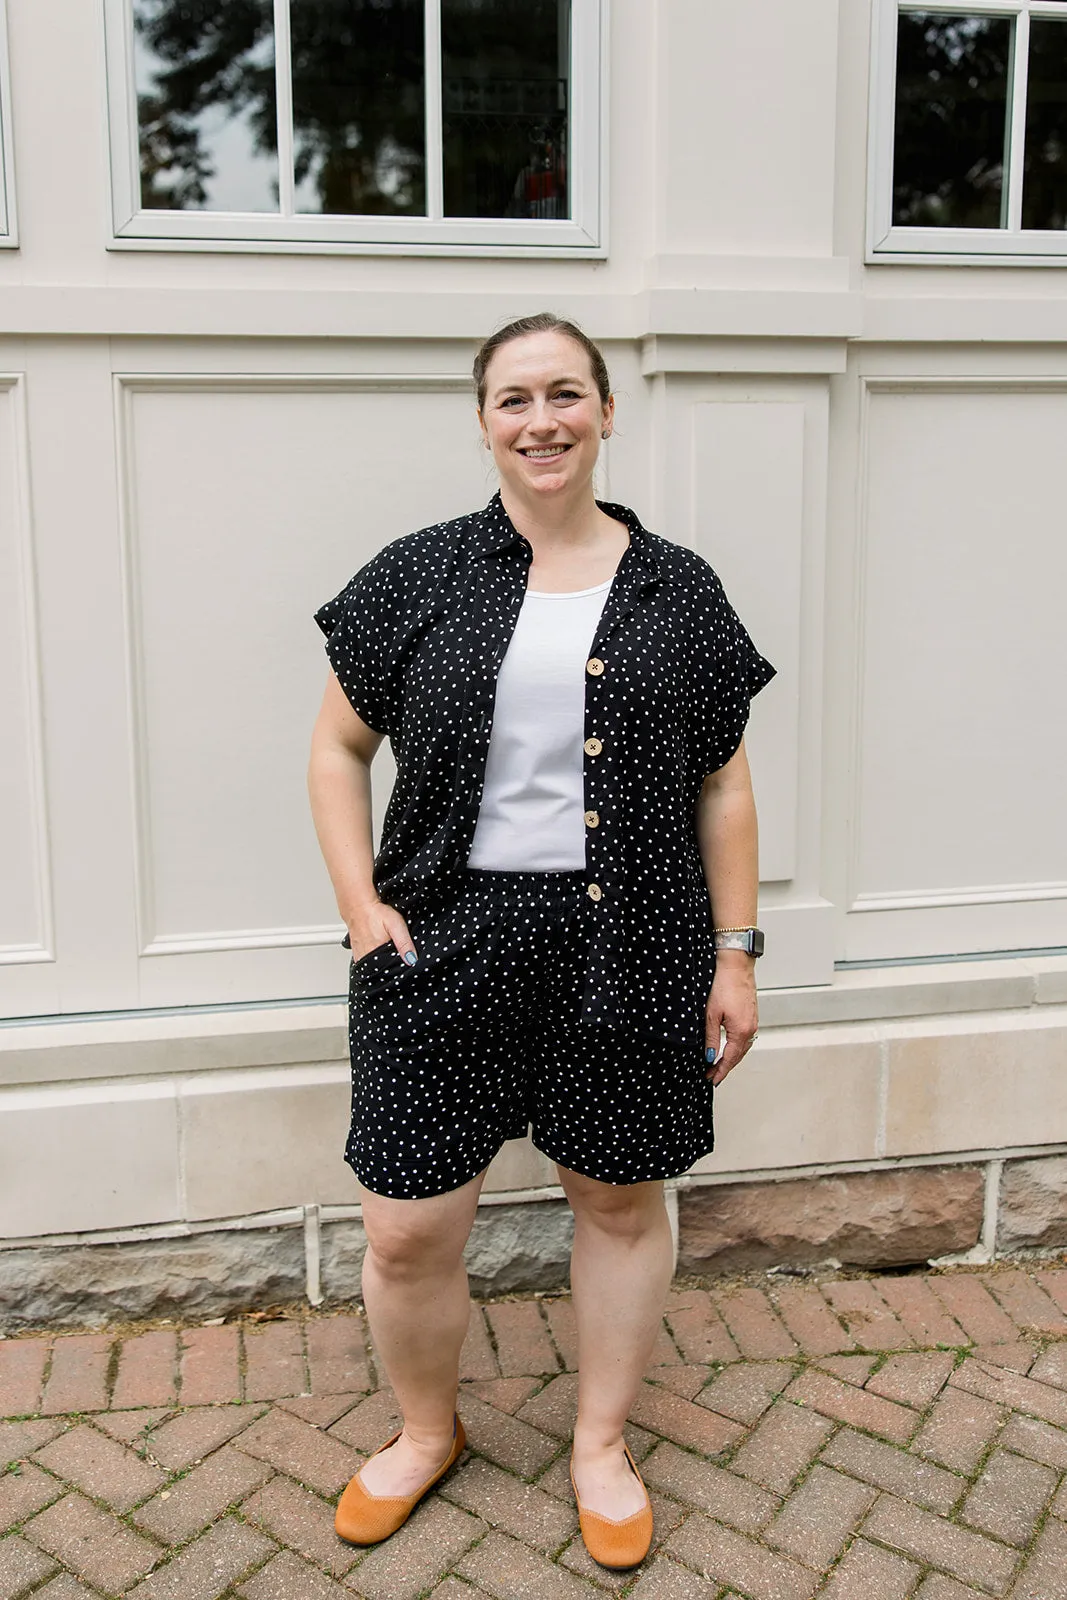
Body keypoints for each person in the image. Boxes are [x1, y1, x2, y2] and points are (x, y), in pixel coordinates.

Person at [307, 312, 775, 1570]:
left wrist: (734, 950)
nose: (541, 420)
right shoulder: (414, 574)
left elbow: (722, 782)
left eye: (565, 393)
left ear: (606, 412)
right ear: (483, 423)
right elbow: (336, 746)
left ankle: (599, 1443)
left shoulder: (679, 589)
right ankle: (423, 1433)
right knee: (406, 1225)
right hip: (439, 948)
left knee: (620, 1199)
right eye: (513, 398)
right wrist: (362, 905)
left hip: (629, 947)